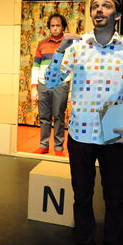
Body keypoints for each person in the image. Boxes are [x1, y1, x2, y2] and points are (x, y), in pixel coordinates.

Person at [44, 0, 123, 245]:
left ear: (117, 15)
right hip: (80, 135)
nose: (99, 10)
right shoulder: (77, 46)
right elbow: (51, 81)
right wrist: (60, 49)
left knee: (114, 200)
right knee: (82, 197)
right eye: (95, 6)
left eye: (106, 5)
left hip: (113, 136)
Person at [30, 13, 71, 155]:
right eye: (52, 26)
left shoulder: (70, 45)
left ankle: (58, 147)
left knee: (59, 116)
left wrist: (71, 90)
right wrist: (34, 87)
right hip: (43, 84)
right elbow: (36, 67)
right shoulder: (42, 44)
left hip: (61, 84)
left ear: (63, 27)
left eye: (58, 25)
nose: (55, 28)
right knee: (44, 117)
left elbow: (73, 68)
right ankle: (44, 145)